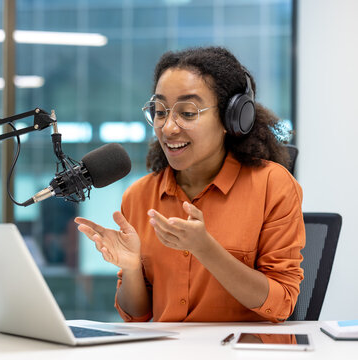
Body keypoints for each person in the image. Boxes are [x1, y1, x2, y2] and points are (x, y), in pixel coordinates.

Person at [75, 46, 305, 323]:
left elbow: (282, 305)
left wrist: (206, 249)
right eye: (160, 111)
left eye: (188, 113)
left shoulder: (273, 185)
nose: (169, 127)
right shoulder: (139, 196)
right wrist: (132, 268)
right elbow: (136, 316)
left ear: (230, 119)